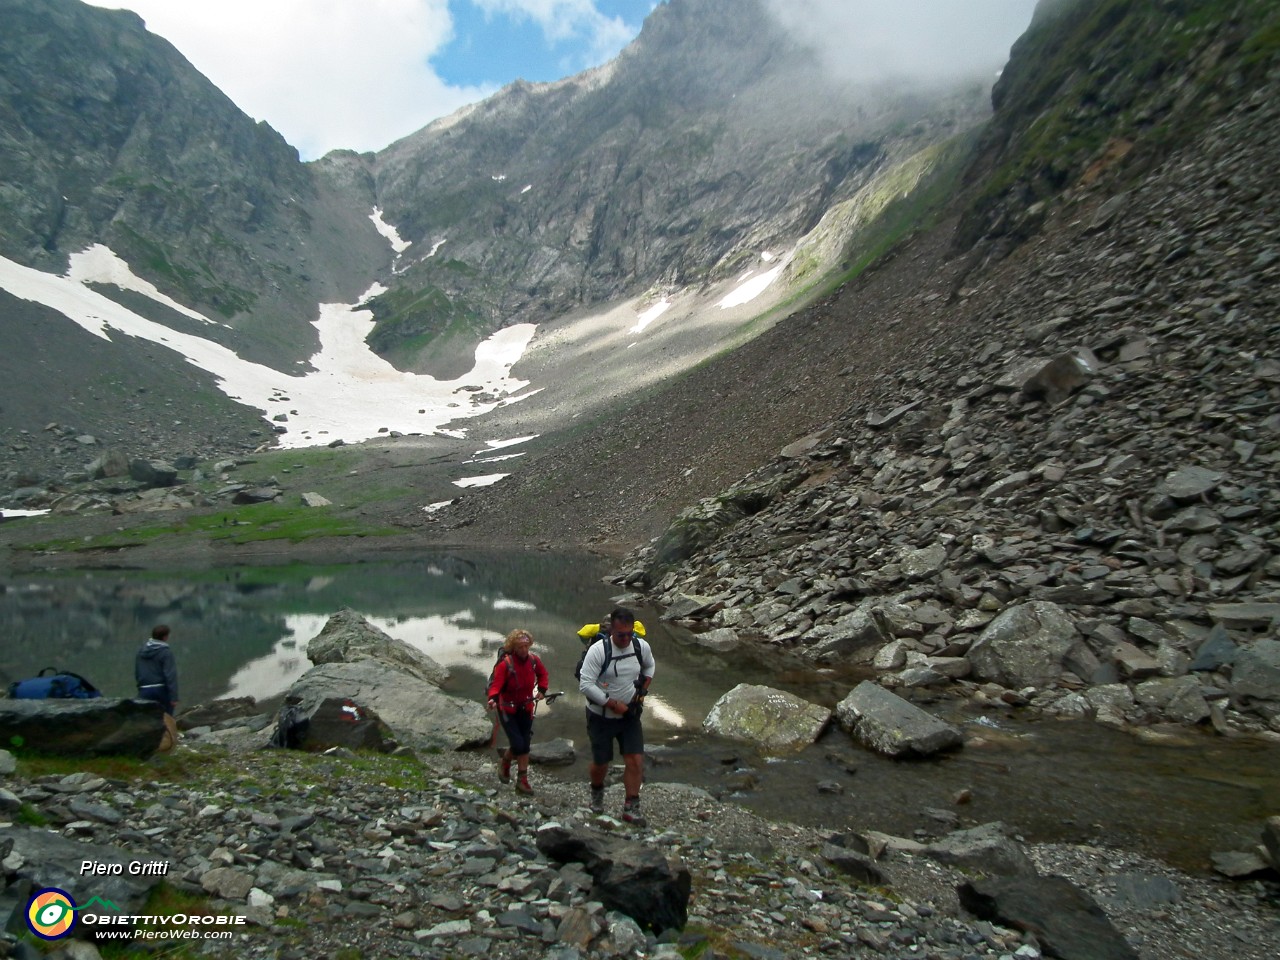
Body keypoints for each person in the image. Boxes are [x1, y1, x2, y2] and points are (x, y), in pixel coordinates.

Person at [579, 606, 655, 825]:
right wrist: (611, 703)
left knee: (635, 759)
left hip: (630, 716)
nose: (626, 638)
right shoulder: (598, 651)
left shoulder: (641, 647)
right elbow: (586, 683)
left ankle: (631, 806)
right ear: (612, 630)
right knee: (601, 762)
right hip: (600, 716)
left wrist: (642, 691)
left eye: (629, 634)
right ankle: (596, 792)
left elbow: (649, 667)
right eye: (621, 634)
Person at [486, 628, 549, 795]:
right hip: (507, 708)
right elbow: (496, 685)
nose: (524, 650)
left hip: (526, 707)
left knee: (525, 745)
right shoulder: (505, 664)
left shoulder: (534, 660)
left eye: (526, 646)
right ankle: (505, 761)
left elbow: (543, 674)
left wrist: (542, 689)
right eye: (520, 646)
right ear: (513, 647)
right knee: (518, 744)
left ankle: (522, 781)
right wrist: (493, 698)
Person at [135, 624, 180, 752]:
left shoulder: (141, 651)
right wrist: (174, 696)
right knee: (167, 718)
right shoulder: (165, 652)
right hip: (161, 689)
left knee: (146, 717)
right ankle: (167, 745)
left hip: (144, 688)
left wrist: (140, 687)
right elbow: (170, 675)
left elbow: (138, 672)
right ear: (165, 637)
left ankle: (147, 745)